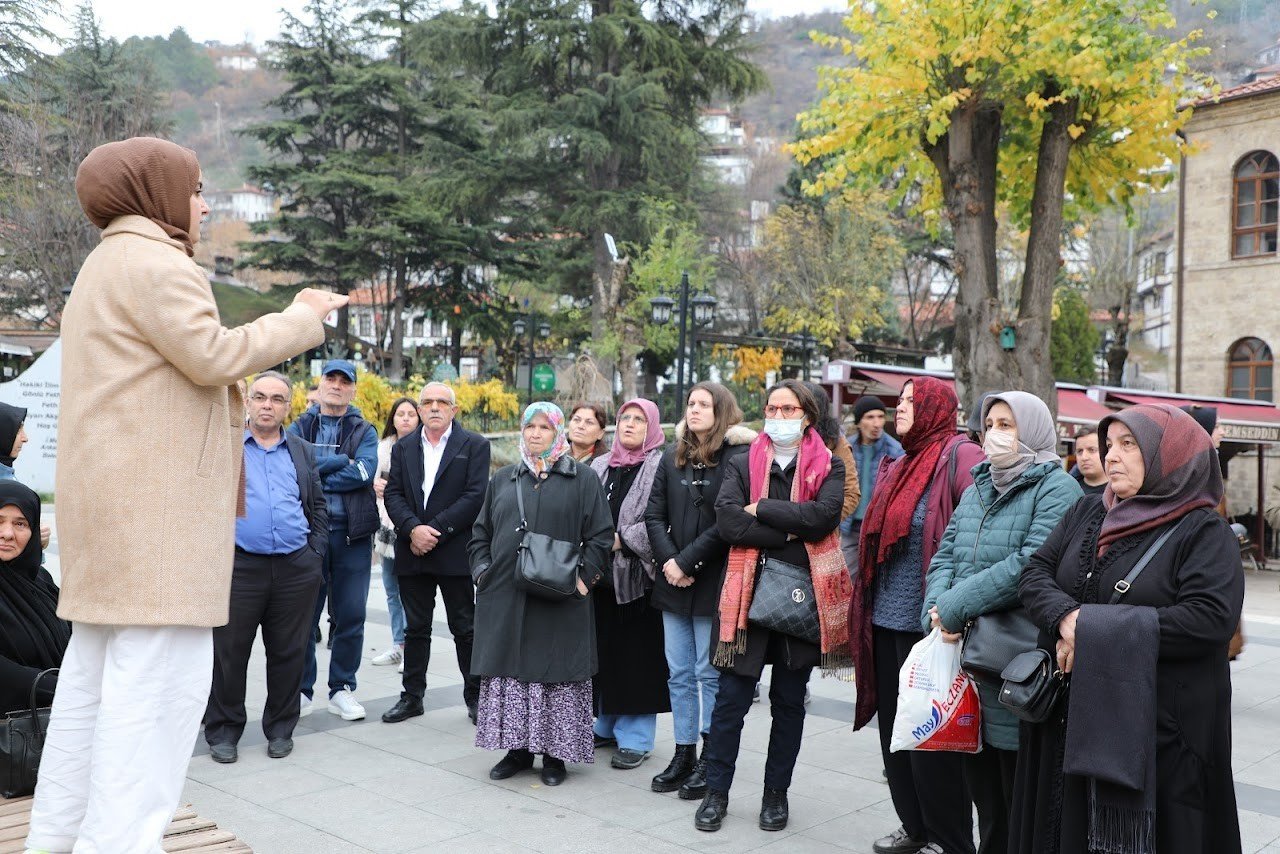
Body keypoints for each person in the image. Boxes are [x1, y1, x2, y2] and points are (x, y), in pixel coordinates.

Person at [28, 137, 334, 854]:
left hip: (117, 527)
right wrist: (302, 314)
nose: (201, 205)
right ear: (156, 191)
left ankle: (63, 839)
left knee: (91, 699)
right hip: (158, 532)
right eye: (195, 189)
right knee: (151, 711)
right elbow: (215, 356)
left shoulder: (106, 262)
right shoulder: (156, 263)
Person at [1011, 404, 1244, 854]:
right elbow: (1035, 573)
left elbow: (1209, 619)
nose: (1110, 456)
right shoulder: (1086, 512)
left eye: (1128, 444)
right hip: (1068, 718)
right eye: (1108, 444)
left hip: (1158, 731)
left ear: (1169, 455)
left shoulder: (1203, 532)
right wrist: (1068, 618)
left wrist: (1092, 632)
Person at [921, 392, 1082, 854]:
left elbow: (1026, 564)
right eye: (990, 423)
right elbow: (946, 554)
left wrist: (954, 607)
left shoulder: (1057, 488)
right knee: (986, 798)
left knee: (1019, 802)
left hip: (1015, 663)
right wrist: (936, 613)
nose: (994, 434)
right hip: (967, 660)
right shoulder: (978, 488)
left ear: (1031, 429)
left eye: (1007, 424)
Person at [694, 379, 852, 833]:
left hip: (798, 602)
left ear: (807, 417)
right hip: (745, 600)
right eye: (772, 408)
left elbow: (823, 519)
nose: (778, 417)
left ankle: (775, 795)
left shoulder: (830, 468)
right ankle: (716, 792)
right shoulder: (742, 461)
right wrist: (790, 532)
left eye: (788, 409)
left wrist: (760, 507)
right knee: (730, 703)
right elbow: (728, 524)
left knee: (788, 704)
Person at [851, 376, 983, 854]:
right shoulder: (903, 461)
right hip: (887, 619)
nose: (899, 408)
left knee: (933, 738)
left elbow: (976, 531)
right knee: (896, 733)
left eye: (910, 401)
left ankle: (948, 840)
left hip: (931, 624)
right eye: (899, 400)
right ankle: (915, 827)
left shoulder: (960, 455)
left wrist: (954, 602)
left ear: (933, 408)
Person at [469, 403, 613, 786]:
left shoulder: (581, 478)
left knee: (555, 669)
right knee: (511, 669)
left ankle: (554, 756)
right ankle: (516, 749)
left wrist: (583, 582)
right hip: (505, 595)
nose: (535, 434)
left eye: (543, 427)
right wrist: (482, 572)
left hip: (560, 596)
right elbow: (480, 533)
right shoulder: (503, 479)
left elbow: (601, 536)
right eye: (529, 426)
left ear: (558, 432)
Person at [204, 371, 328, 763]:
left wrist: (314, 554)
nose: (267, 405)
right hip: (241, 567)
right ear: (248, 401)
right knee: (229, 654)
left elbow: (317, 505)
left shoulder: (301, 450)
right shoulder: (229, 446)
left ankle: (280, 728)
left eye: (276, 399)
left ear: (288, 406)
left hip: (295, 567)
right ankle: (223, 731)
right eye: (260, 397)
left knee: (290, 652)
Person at [645, 382, 754, 799]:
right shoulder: (671, 458)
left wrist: (686, 562)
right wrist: (670, 562)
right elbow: (653, 515)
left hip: (714, 578)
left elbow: (727, 522)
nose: (694, 410)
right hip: (672, 579)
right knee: (678, 672)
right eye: (690, 403)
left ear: (721, 410)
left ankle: (711, 756)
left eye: (703, 404)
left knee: (709, 673)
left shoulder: (738, 458)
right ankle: (683, 751)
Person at [382, 383, 491, 724]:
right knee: (415, 628)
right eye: (426, 402)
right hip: (412, 548)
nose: (433, 408)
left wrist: (435, 531)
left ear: (454, 409)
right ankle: (412, 696)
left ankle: (476, 698)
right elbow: (393, 494)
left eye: (441, 402)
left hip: (454, 549)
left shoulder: (474, 445)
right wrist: (413, 529)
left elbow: (474, 496)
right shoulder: (404, 447)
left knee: (465, 627)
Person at [290, 359, 380, 722]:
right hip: (310, 534)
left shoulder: (365, 429)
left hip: (352, 536)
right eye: (332, 379)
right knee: (304, 617)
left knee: (351, 615)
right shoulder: (299, 425)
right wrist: (338, 461)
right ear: (320, 383)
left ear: (353, 389)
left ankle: (342, 688)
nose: (338, 386)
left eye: (346, 381)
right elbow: (296, 470)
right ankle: (301, 690)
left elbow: (363, 473)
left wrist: (318, 470)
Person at [588, 398, 670, 769]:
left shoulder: (661, 465)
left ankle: (636, 739)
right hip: (598, 576)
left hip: (639, 581)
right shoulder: (600, 464)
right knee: (603, 653)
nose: (630, 425)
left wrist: (621, 538)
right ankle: (604, 725)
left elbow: (665, 519)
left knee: (636, 659)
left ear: (651, 426)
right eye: (625, 418)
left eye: (639, 419)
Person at [0, 481, 67, 714]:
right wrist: (66, 690)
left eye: (20, 523)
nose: (7, 534)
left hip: (57, 725)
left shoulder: (41, 581)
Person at [371, 396, 421, 670]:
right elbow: (372, 478)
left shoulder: (424, 447)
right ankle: (397, 644)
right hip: (385, 528)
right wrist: (375, 484)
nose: (405, 418)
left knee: (410, 592)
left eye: (410, 414)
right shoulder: (383, 448)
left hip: (410, 528)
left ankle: (412, 647)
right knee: (391, 590)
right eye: (400, 413)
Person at [841, 397, 903, 578]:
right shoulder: (847, 447)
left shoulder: (895, 451)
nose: (877, 423)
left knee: (875, 579)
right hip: (850, 527)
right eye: (870, 417)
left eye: (880, 416)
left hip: (878, 529)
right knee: (846, 580)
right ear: (859, 422)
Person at [1070, 427, 1108, 496]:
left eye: (1092, 450)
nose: (1084, 457)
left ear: (1106, 452)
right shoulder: (1068, 490)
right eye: (1079, 451)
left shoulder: (1118, 492)